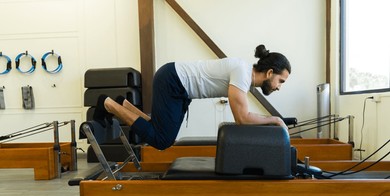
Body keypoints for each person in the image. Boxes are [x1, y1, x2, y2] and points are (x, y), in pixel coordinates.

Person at [93, 44, 291, 150]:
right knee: (162, 140)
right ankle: (107, 103)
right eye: (280, 81)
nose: (279, 87)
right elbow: (242, 118)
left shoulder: (244, 74)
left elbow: (244, 115)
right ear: (269, 72)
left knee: (162, 134)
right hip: (172, 81)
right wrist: (275, 120)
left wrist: (273, 121)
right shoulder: (242, 73)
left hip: (178, 86)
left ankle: (122, 104)